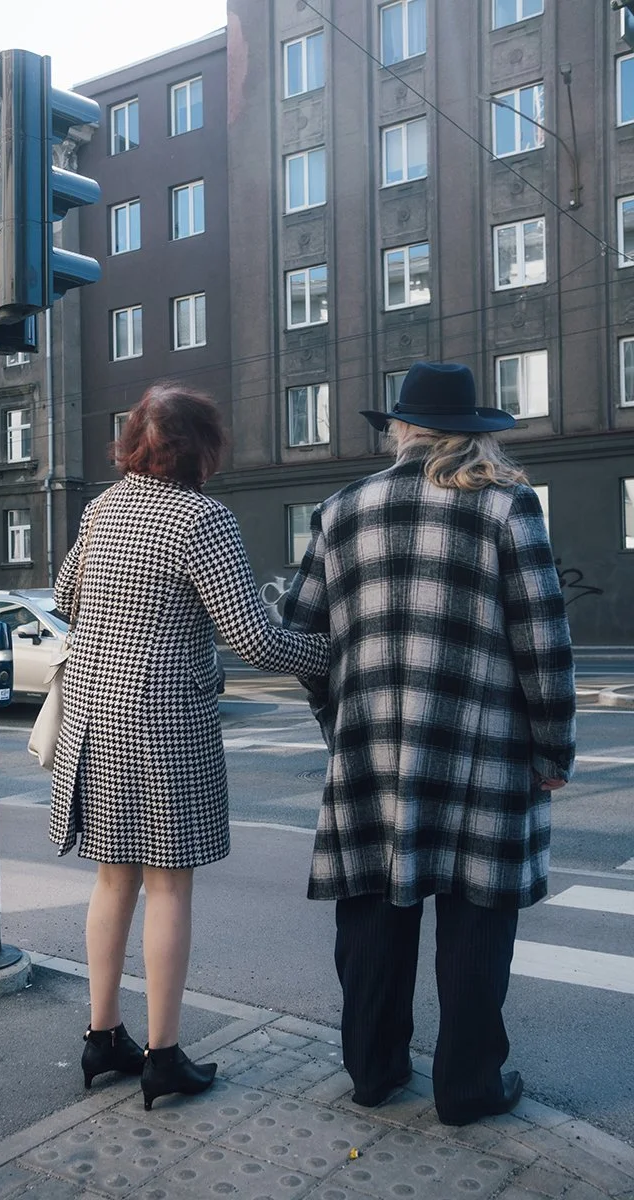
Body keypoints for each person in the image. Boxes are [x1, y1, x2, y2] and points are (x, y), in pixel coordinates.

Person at [283, 361, 575, 1128]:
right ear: (473, 435)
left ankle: (375, 1074)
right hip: (486, 752)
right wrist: (554, 753)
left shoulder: (340, 509)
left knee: (374, 918)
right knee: (478, 921)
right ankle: (467, 1087)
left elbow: (302, 638)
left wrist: (342, 717)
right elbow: (543, 643)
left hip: (371, 757)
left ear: (402, 429)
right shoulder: (508, 508)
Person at [49, 382, 329, 1112]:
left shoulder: (103, 505)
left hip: (93, 714)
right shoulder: (203, 520)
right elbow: (254, 638)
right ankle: (163, 1057)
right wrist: (334, 650)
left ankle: (101, 1035)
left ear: (135, 441)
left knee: (113, 880)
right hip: (165, 722)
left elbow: (67, 595)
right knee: (169, 885)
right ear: (203, 448)